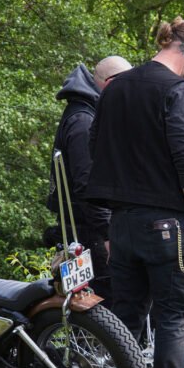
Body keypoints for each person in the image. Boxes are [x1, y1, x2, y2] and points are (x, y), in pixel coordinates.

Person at [87, 17, 184, 368]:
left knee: (125, 319)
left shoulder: (115, 88)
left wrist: (108, 219)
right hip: (167, 224)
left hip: (120, 222)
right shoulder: (179, 91)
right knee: (175, 318)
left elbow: (94, 149)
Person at [45, 56, 132, 308]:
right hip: (88, 235)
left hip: (82, 232)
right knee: (104, 307)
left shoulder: (85, 115)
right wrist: (107, 236)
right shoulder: (84, 122)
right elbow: (89, 186)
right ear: (112, 83)